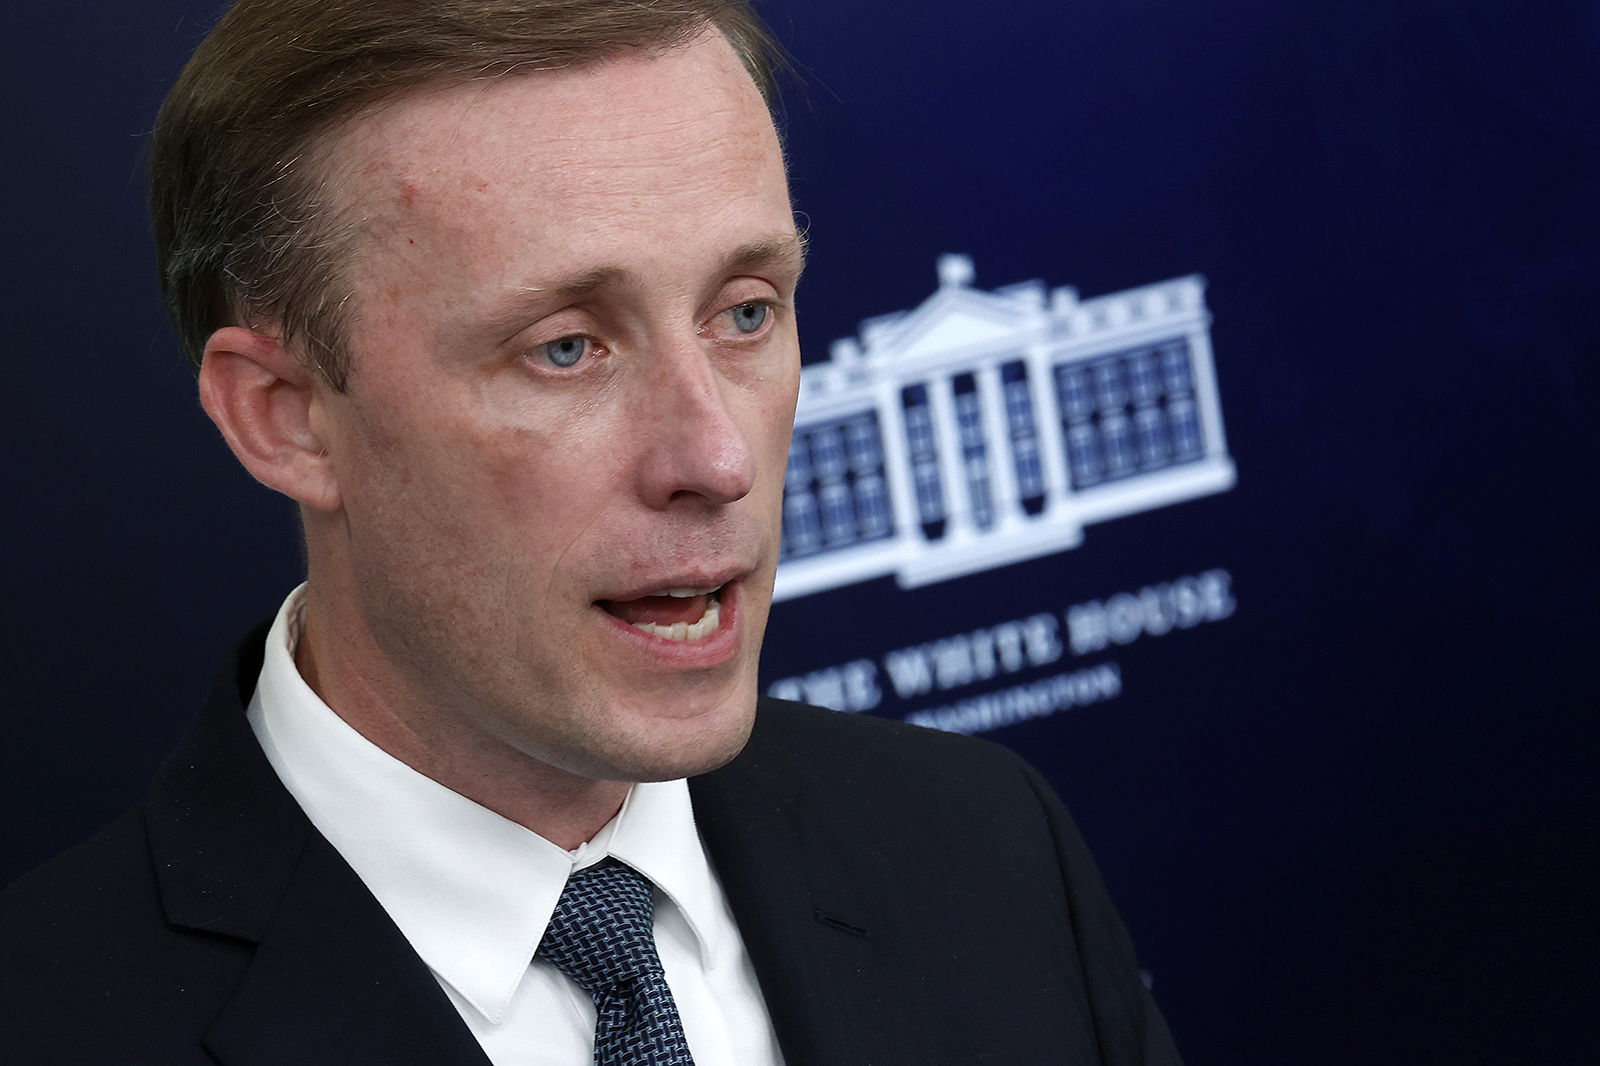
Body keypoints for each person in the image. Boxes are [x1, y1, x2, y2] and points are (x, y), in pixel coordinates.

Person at [0, 1, 1182, 1062]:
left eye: (745, 312)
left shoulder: (987, 849)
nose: (714, 458)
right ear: (290, 419)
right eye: (567, 347)